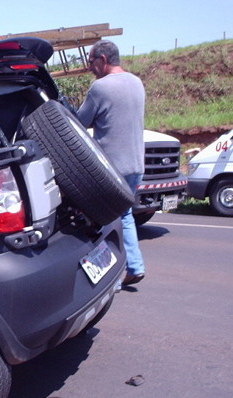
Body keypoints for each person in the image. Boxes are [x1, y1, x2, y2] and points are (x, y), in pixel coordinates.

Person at [77, 40, 145, 286]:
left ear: (103, 60)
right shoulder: (136, 82)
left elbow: (79, 123)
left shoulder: (100, 88)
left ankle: (111, 280)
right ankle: (135, 266)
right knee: (124, 215)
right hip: (136, 165)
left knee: (103, 222)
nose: (89, 67)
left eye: (91, 61)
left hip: (111, 169)